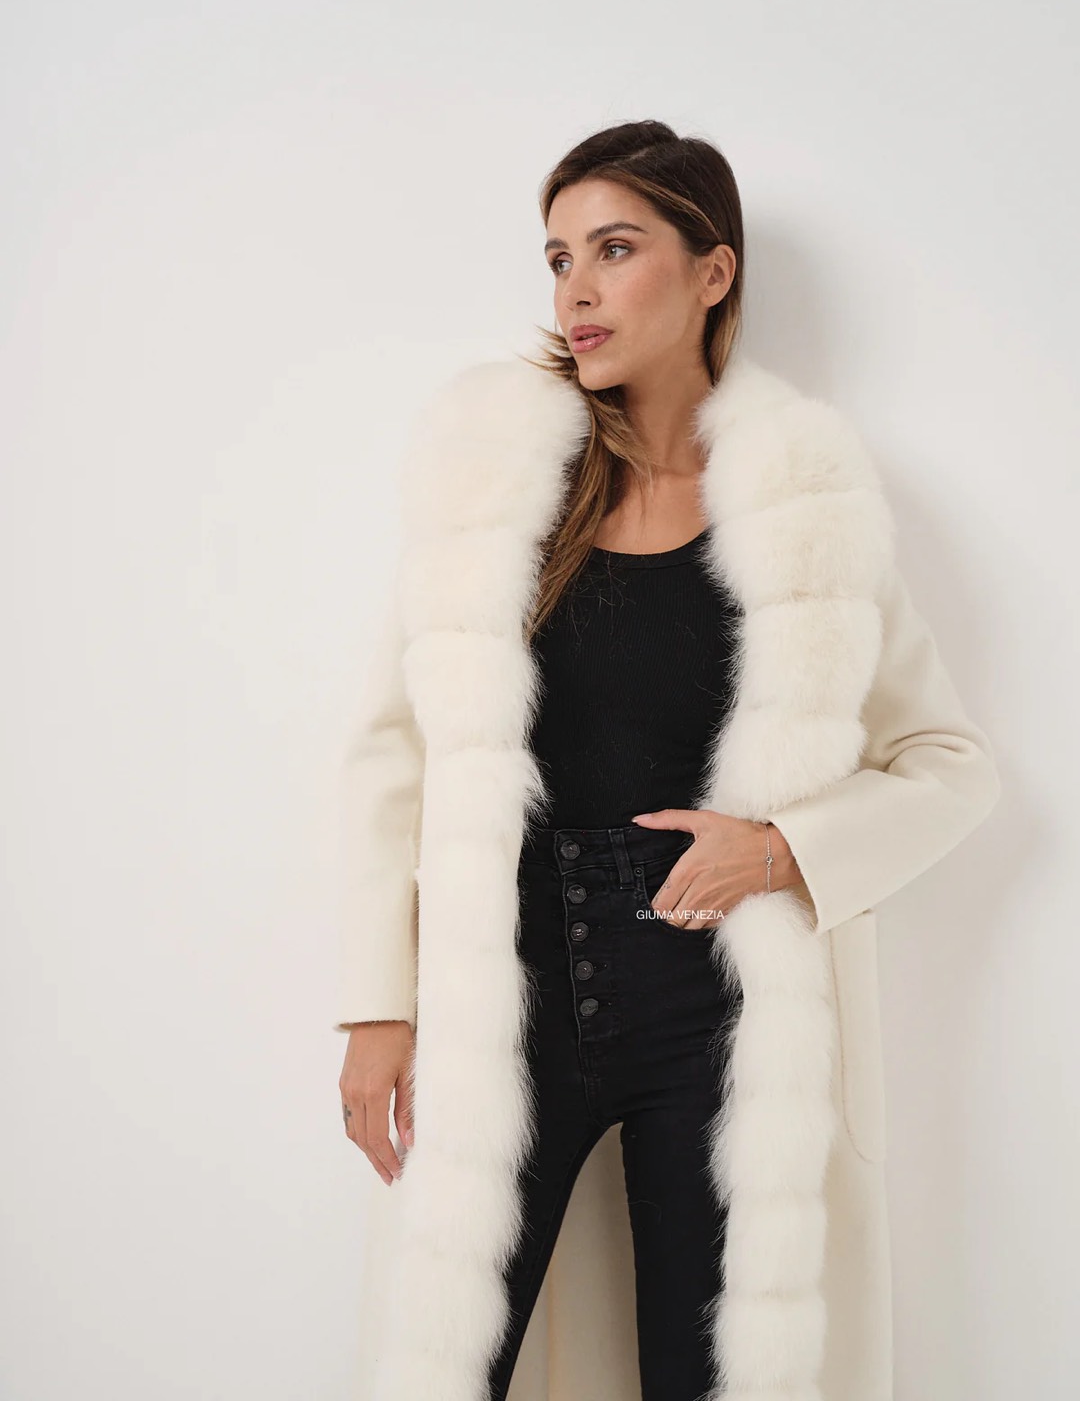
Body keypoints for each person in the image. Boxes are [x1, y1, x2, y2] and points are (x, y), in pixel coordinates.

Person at [334, 120, 1000, 1401]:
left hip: (717, 1009)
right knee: (442, 1361)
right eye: (558, 258)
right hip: (511, 982)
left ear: (713, 271)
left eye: (615, 249)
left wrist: (784, 848)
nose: (576, 290)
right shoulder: (492, 488)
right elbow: (391, 753)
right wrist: (378, 1005)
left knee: (715, 1373)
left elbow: (948, 759)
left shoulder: (807, 507)